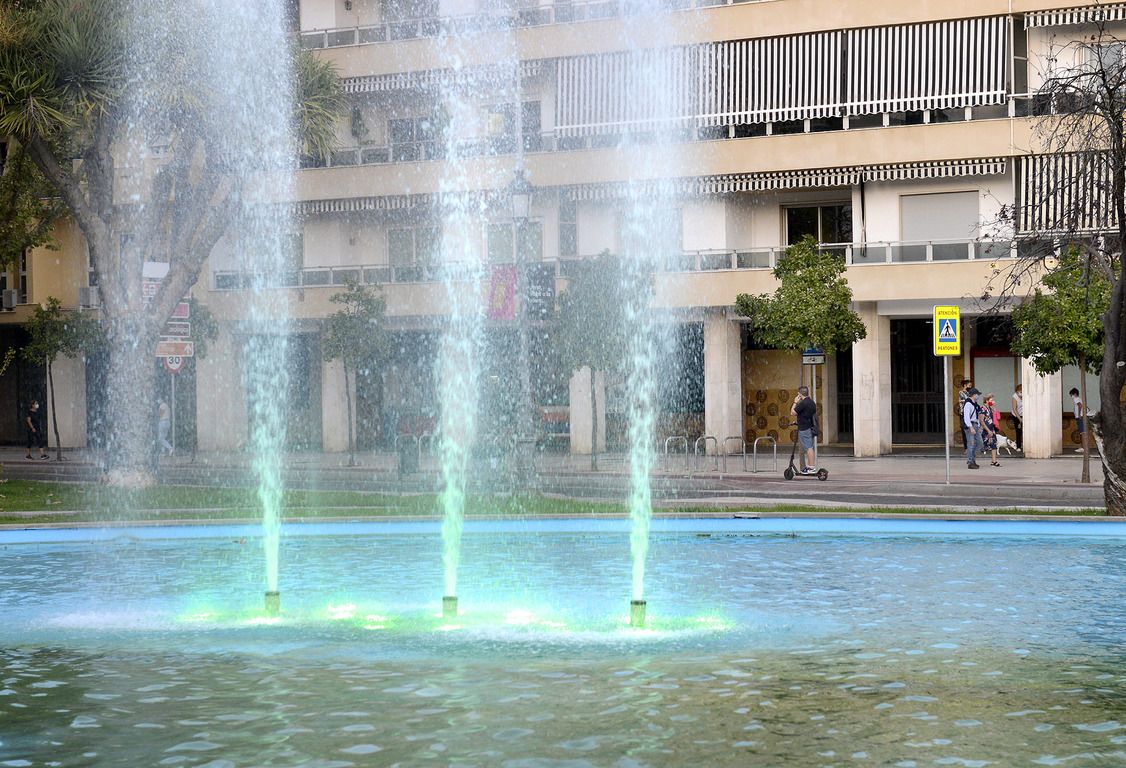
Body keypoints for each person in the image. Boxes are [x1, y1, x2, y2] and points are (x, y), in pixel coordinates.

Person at [790, 385, 818, 474]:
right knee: (808, 447)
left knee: (809, 448)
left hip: (804, 429)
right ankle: (808, 467)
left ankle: (811, 467)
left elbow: (792, 412)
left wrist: (795, 402)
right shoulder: (812, 402)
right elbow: (806, 415)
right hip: (810, 427)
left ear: (799, 394)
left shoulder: (803, 403)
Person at [962, 387, 984, 469]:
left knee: (980, 443)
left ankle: (972, 458)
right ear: (974, 395)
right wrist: (971, 427)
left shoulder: (975, 404)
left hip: (975, 424)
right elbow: (966, 417)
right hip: (970, 425)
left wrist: (978, 426)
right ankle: (970, 462)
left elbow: (977, 416)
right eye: (977, 394)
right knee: (970, 444)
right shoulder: (968, 404)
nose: (978, 396)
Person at [982, 394, 1001, 467]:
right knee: (981, 446)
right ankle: (971, 460)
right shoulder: (983, 408)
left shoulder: (990, 408)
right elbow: (981, 420)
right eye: (991, 400)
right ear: (986, 401)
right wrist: (987, 430)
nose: (993, 401)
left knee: (994, 445)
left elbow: (998, 418)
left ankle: (994, 461)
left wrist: (995, 410)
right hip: (985, 430)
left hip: (991, 429)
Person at [957, 379, 973, 449]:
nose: (970, 387)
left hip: (970, 413)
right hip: (963, 413)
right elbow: (965, 400)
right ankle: (966, 447)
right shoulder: (961, 392)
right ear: (965, 385)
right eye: (969, 385)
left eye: (970, 386)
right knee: (964, 429)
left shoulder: (970, 392)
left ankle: (970, 446)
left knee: (971, 429)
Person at [1070, 387, 1087, 454]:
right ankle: (1083, 447)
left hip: (1080, 417)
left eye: (1071, 395)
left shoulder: (1076, 399)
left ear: (1074, 394)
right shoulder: (1079, 399)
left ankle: (1083, 448)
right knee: (1082, 432)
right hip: (1081, 416)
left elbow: (1080, 406)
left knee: (1082, 432)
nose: (1071, 396)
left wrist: (1079, 414)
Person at [1011, 384, 1023, 451]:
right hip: (1016, 415)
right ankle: (1018, 446)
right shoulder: (1014, 397)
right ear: (1017, 391)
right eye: (1020, 391)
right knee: (1019, 430)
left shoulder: (1026, 396)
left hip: (1024, 414)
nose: (1021, 393)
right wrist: (1020, 419)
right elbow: (1014, 409)